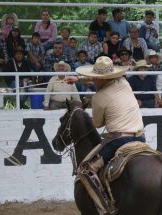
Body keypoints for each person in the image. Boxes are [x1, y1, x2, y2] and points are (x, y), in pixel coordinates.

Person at [66, 56, 145, 213]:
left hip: (119, 140)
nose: (94, 81)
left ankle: (103, 207)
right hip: (140, 137)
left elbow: (97, 124)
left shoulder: (99, 98)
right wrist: (77, 79)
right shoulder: (124, 82)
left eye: (96, 79)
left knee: (86, 170)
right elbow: (99, 79)